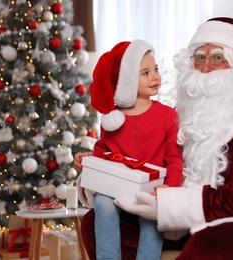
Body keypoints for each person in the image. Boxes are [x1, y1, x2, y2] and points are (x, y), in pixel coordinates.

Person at [114, 17, 233, 259]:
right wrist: (105, 173)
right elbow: (150, 159)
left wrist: (171, 205)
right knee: (105, 220)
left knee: (212, 244)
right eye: (199, 57)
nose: (205, 67)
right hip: (181, 221)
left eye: (217, 58)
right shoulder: (182, 114)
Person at [75, 39, 183, 260]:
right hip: (116, 186)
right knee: (103, 203)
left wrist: (170, 186)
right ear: (126, 80)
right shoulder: (113, 120)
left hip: (150, 187)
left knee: (151, 216)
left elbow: (174, 158)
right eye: (145, 73)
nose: (155, 77)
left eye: (155, 70)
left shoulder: (167, 115)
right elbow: (102, 151)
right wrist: (88, 159)